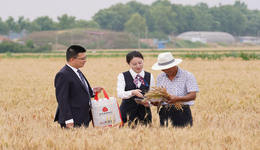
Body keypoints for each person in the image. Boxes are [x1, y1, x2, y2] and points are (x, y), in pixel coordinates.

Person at [54, 45, 102, 128]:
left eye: (85, 58)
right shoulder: (63, 74)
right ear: (72, 59)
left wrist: (92, 91)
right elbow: (62, 99)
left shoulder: (77, 71)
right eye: (82, 59)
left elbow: (77, 91)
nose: (85, 61)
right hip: (72, 119)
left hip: (83, 118)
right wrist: (68, 119)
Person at [152, 52, 199, 127]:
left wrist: (177, 99)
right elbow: (159, 95)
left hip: (182, 112)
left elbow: (193, 96)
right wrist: (155, 101)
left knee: (184, 136)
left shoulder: (187, 76)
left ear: (174, 65)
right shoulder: (160, 77)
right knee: (164, 137)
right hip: (164, 112)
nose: (165, 70)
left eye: (167, 68)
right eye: (163, 69)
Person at [117, 51, 155, 127]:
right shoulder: (123, 76)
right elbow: (120, 93)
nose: (138, 66)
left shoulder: (149, 76)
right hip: (127, 113)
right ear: (129, 64)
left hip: (145, 114)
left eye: (140, 63)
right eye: (134, 64)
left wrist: (149, 103)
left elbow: (152, 95)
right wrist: (132, 92)